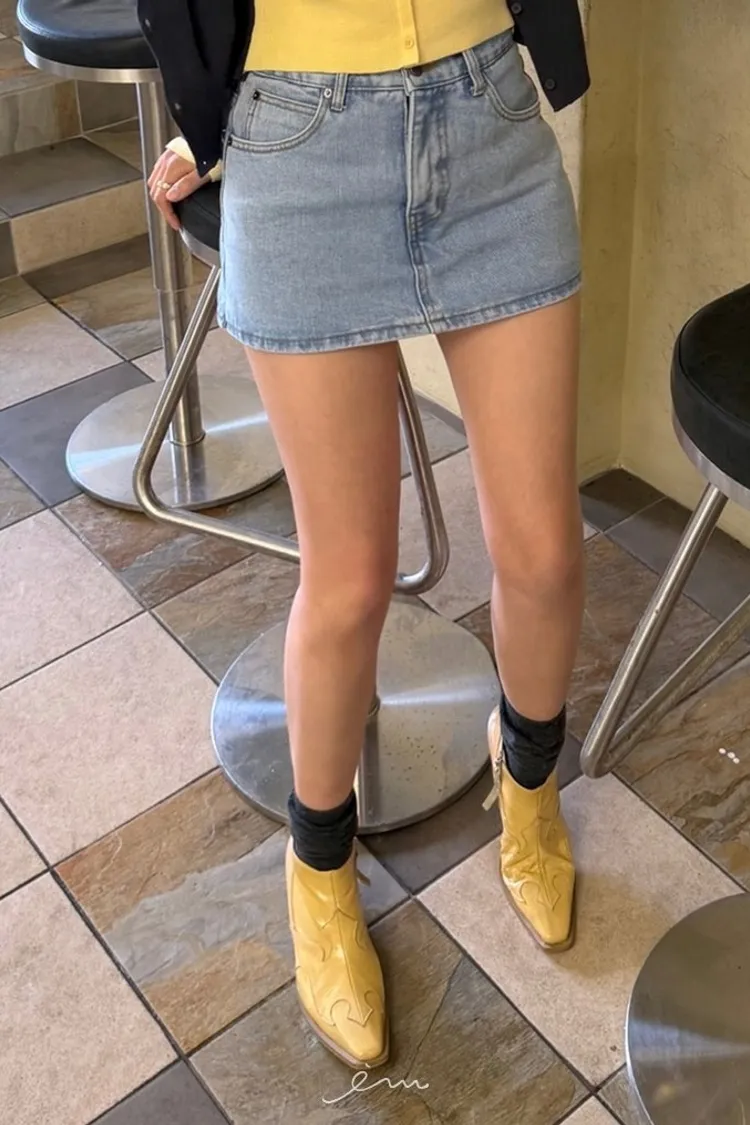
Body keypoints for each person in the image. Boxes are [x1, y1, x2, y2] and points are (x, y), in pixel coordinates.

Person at [141, 0, 589, 1072]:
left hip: (486, 114)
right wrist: (204, 111)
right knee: (347, 583)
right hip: (300, 137)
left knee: (545, 553)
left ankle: (529, 785)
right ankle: (320, 873)